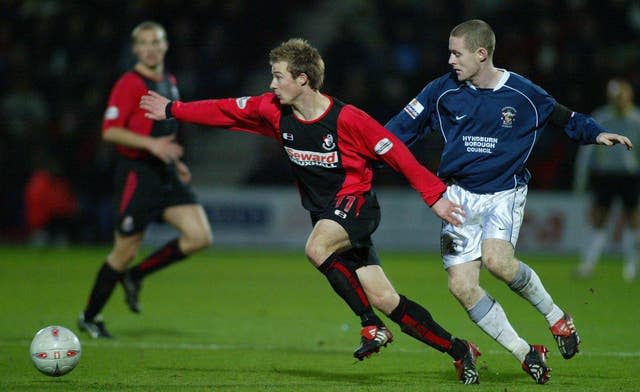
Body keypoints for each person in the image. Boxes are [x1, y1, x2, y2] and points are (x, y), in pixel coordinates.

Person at [141, 38, 482, 384]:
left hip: (357, 205)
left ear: (302, 79)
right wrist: (173, 110)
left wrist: (434, 196)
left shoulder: (348, 119)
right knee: (385, 297)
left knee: (316, 248)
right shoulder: (273, 111)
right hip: (329, 216)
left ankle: (371, 326)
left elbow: (397, 153)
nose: (272, 85)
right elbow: (225, 110)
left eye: (278, 77)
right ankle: (459, 350)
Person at [384, 19, 633, 384]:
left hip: (504, 191)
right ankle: (524, 352)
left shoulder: (523, 94)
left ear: (481, 54)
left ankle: (557, 318)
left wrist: (597, 134)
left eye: (457, 53)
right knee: (461, 287)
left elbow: (566, 118)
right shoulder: (441, 91)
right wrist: (365, 147)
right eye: (450, 52)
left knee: (499, 262)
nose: (450, 60)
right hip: (457, 196)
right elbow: (396, 131)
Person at [77, 21, 213, 339]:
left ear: (165, 46)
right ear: (136, 48)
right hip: (138, 174)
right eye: (144, 43)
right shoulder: (129, 82)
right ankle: (89, 316)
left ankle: (136, 276)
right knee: (123, 251)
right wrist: (152, 145)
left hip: (165, 172)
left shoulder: (169, 80)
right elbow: (110, 130)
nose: (151, 48)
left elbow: (167, 130)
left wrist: (175, 161)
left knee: (200, 236)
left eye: (156, 42)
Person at [574, 78, 640, 282]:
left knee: (633, 221)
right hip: (606, 176)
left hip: (629, 176)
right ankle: (588, 265)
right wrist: (581, 177)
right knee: (599, 219)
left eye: (621, 96)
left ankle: (630, 267)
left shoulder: (636, 120)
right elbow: (587, 151)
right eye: (615, 96)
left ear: (629, 96)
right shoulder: (602, 117)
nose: (618, 100)